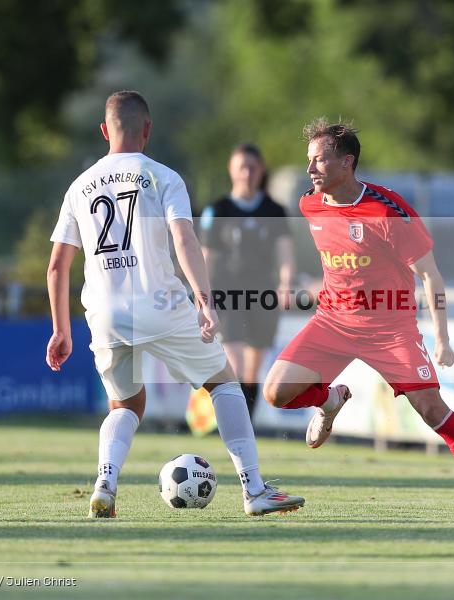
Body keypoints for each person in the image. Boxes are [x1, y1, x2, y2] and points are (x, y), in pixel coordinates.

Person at [45, 90, 304, 518]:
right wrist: (204, 301)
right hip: (160, 303)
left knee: (126, 406)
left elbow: (57, 266)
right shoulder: (164, 177)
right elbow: (184, 239)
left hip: (106, 313)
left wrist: (60, 330)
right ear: (147, 130)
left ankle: (105, 484)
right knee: (223, 383)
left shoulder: (79, 186)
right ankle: (254, 488)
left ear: (105, 130)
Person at [262, 118, 454, 510]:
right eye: (308, 160)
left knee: (433, 411)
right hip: (333, 321)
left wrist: (442, 338)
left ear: (347, 162)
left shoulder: (388, 212)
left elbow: (431, 277)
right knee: (275, 392)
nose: (310, 169)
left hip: (391, 328)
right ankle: (330, 400)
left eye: (319, 160)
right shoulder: (309, 204)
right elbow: (342, 263)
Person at [199, 144, 294, 421]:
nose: (247, 173)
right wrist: (201, 294)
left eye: (252, 167)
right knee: (235, 361)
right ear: (231, 170)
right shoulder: (218, 210)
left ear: (261, 170)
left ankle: (245, 425)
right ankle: (232, 423)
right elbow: (207, 257)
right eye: (241, 166)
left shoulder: (274, 210)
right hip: (227, 294)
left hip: (262, 296)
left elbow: (285, 254)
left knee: (253, 370)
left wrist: (285, 282)